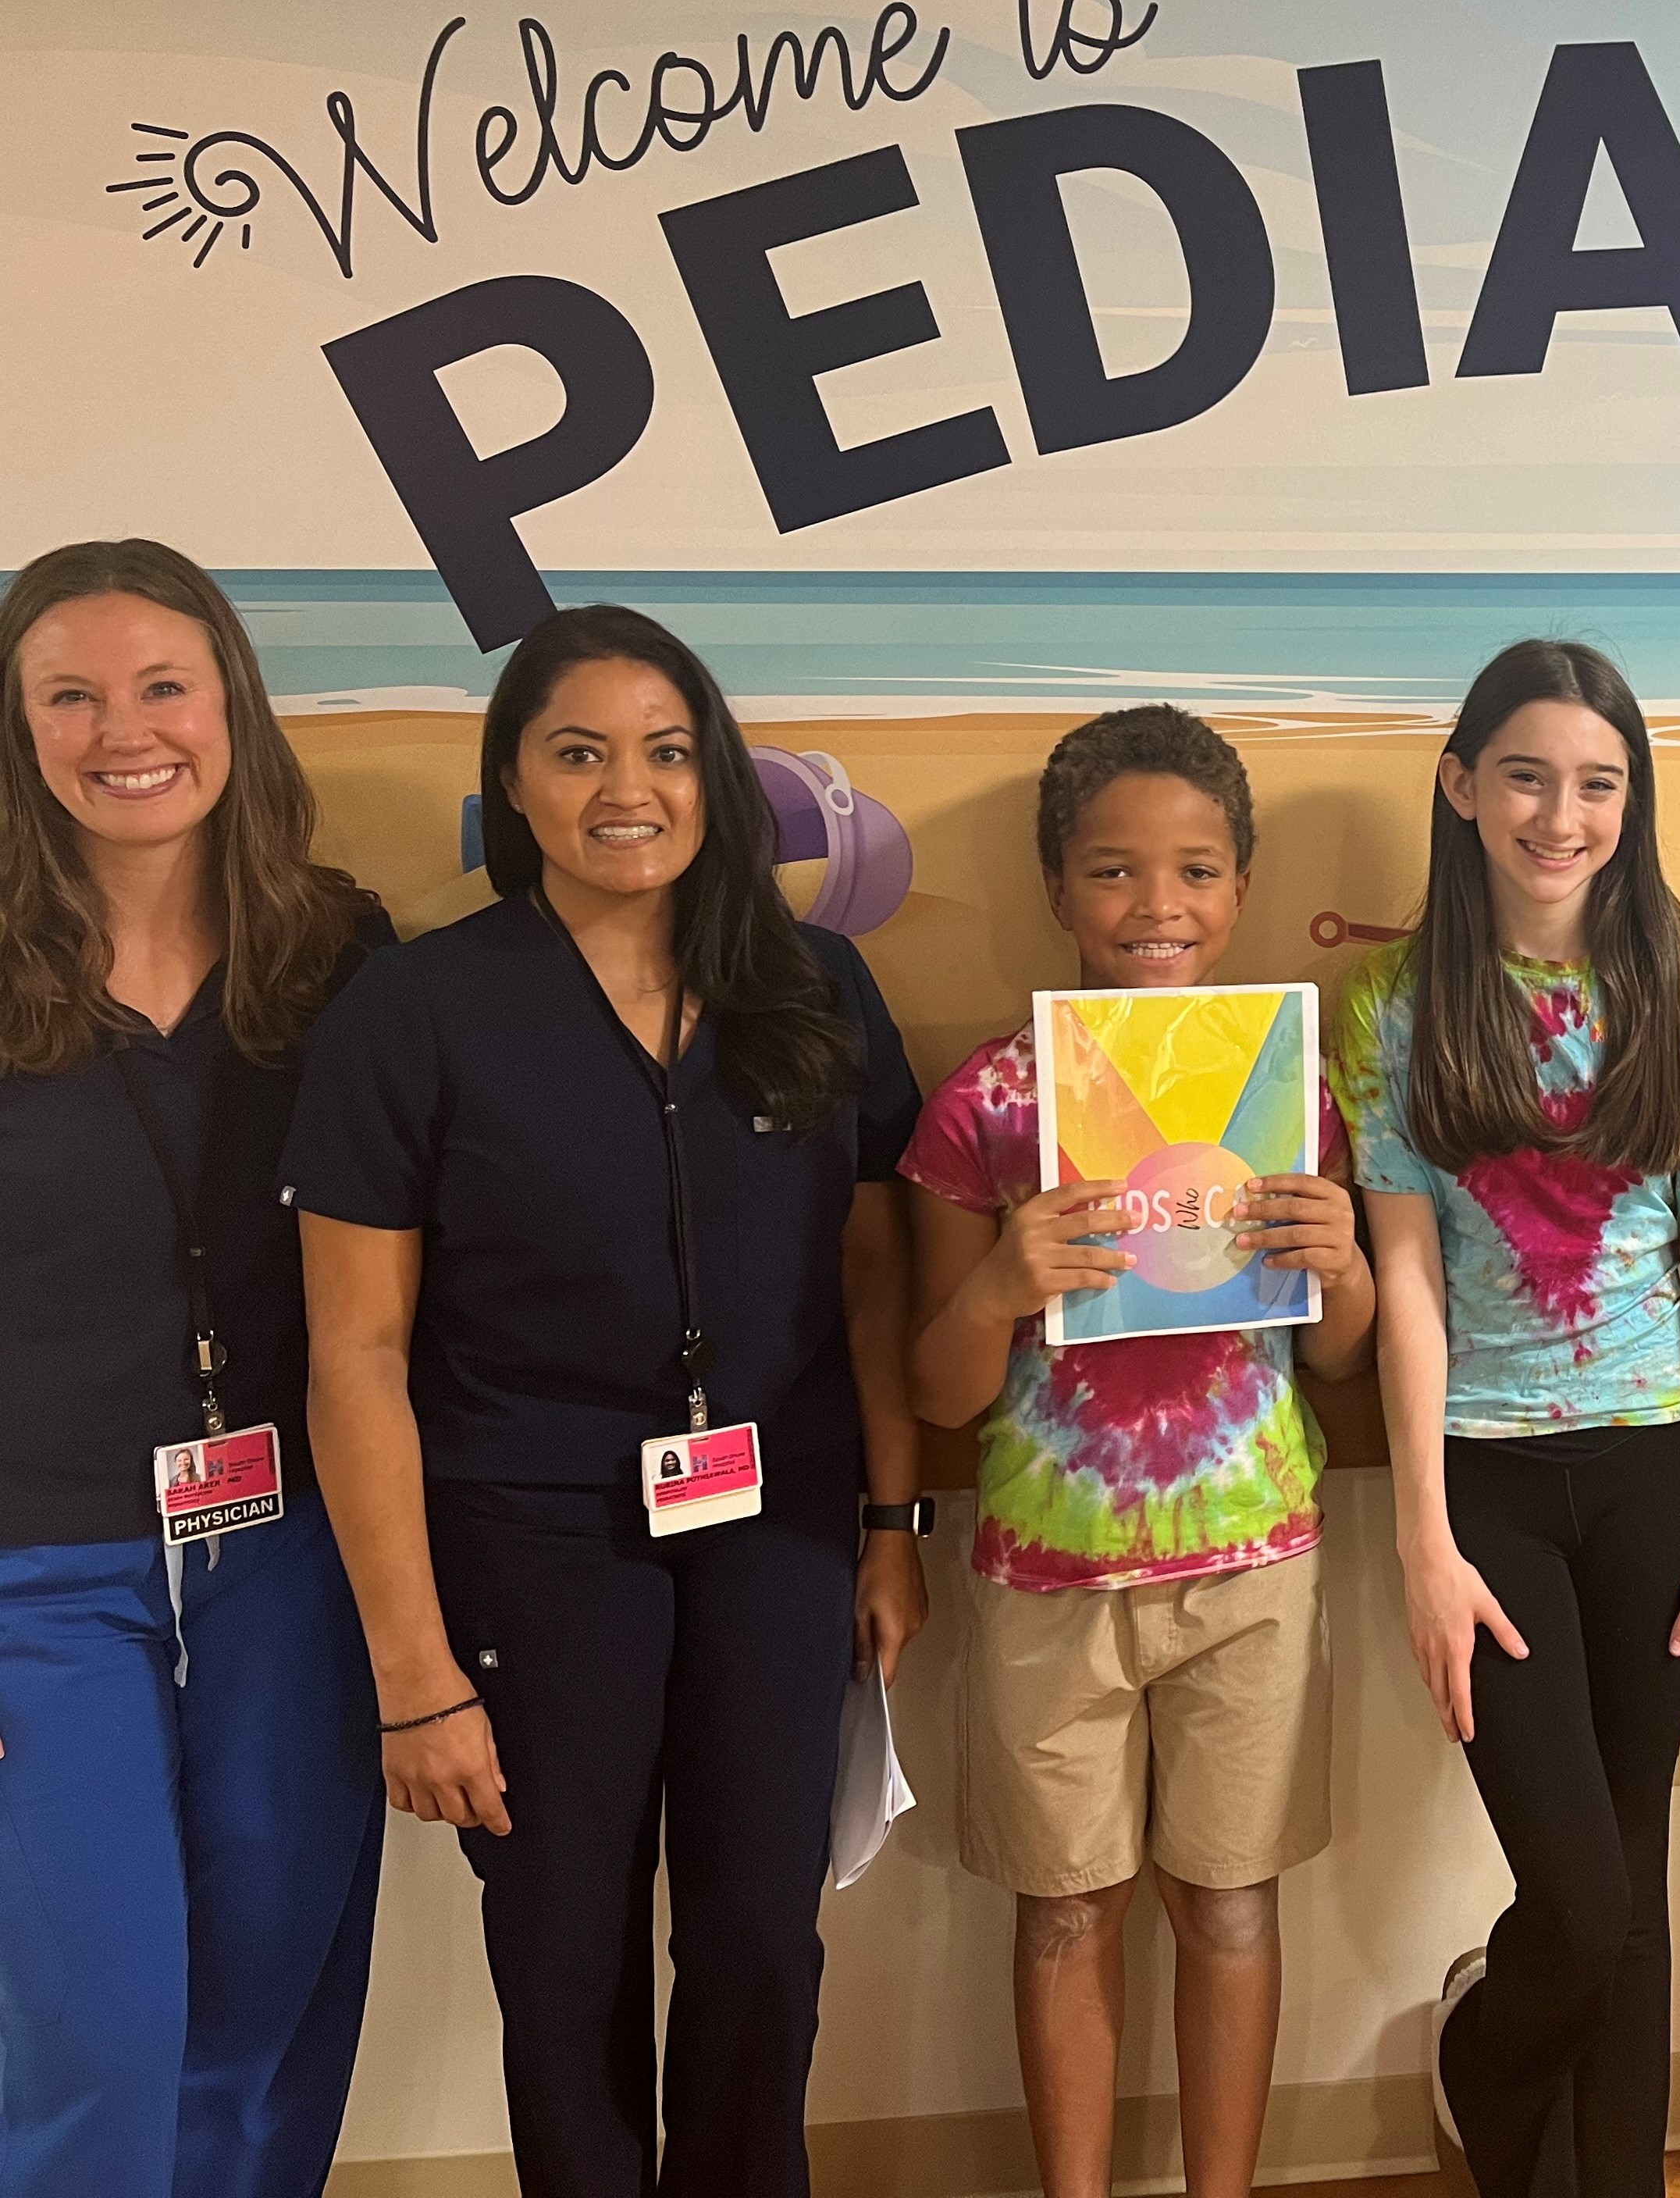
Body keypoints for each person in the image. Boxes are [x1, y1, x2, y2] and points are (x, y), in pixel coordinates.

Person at [283, 606, 927, 2197]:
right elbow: (355, 1356)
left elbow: (873, 1285)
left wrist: (897, 1522)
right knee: (564, 1958)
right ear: (514, 783)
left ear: (718, 780)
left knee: (765, 1943)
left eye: (664, 751)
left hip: (776, 1529)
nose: (622, 789)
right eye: (577, 753)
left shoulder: (819, 986)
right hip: (532, 1540)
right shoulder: (419, 1011)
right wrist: (414, 1671)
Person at [1330, 639, 1680, 2198]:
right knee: (1583, 1898)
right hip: (1492, 1484)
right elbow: (1404, 1278)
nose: (1563, 812)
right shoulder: (1392, 1003)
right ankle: (1481, 2059)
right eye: (1527, 774)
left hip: (1661, 1470)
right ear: (1462, 787)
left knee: (1639, 1897)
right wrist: (1421, 1539)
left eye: (1599, 782)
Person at [903, 705, 1377, 2198]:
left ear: (1240, 887)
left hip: (1255, 1562)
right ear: (1056, 889)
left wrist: (1345, 1264)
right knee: (1065, 1913)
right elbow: (935, 1387)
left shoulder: (1293, 1091)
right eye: (1112, 872)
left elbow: (1342, 1356)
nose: (1156, 907)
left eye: (1195, 870)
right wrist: (995, 1285)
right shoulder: (989, 1101)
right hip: (1048, 1574)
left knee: (1230, 1906)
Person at [0, 540, 388, 2196]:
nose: (121, 730)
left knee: (272, 1999)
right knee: (94, 2026)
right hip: (40, 1575)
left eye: (163, 684)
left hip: (286, 1553)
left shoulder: (341, 959)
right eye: (68, 695)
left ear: (232, 704)